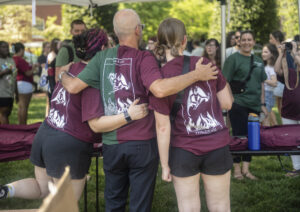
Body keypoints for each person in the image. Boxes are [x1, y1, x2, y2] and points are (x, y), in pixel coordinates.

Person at [59, 9, 218, 212]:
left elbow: (72, 87)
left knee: (114, 203)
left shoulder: (101, 58)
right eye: (141, 27)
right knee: (139, 206)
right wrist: (195, 75)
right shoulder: (145, 57)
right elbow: (160, 89)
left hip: (112, 144)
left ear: (116, 33)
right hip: (142, 143)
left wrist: (63, 73)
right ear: (137, 30)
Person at [0, 28, 139, 202]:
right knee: (66, 203)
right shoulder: (93, 76)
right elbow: (95, 124)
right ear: (103, 48)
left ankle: (6, 190)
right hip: (69, 142)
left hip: (46, 133)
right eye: (110, 45)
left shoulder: (71, 67)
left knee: (42, 188)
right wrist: (128, 115)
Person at [151, 18, 233, 212]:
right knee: (221, 205)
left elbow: (162, 127)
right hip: (217, 145)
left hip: (183, 149)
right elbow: (227, 103)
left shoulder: (160, 78)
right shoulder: (205, 64)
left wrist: (164, 165)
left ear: (160, 43)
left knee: (188, 207)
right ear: (185, 40)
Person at [223, 30, 267, 180]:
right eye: (244, 40)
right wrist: (231, 101)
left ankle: (246, 170)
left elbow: (262, 83)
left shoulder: (259, 60)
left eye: (250, 39)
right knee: (239, 136)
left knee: (252, 137)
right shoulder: (233, 59)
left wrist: (262, 103)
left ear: (254, 42)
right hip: (238, 103)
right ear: (239, 42)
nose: (247, 42)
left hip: (254, 105)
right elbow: (224, 82)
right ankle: (236, 170)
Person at [274, 40, 300, 177]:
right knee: (292, 141)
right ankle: (297, 169)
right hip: (289, 112)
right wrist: (281, 54)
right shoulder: (290, 72)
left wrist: (294, 52)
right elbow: (277, 70)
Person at [12, 42, 37, 125]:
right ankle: (23, 125)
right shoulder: (20, 60)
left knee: (21, 107)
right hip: (24, 84)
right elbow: (28, 73)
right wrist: (34, 67)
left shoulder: (12, 59)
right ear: (21, 50)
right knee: (24, 107)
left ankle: (21, 124)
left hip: (18, 84)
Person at [269, 30, 285, 123]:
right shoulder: (273, 49)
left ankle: (283, 122)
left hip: (281, 79)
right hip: (276, 78)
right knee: (278, 104)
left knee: (281, 104)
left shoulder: (281, 49)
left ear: (277, 39)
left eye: (271, 38)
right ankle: (281, 122)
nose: (270, 40)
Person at [0, 41, 17, 124]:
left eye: (7, 47)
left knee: (7, 113)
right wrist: (3, 72)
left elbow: (15, 77)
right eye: (3, 47)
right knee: (4, 114)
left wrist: (16, 93)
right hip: (2, 92)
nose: (6, 49)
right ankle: (5, 134)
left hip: (10, 92)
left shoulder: (11, 60)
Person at [261, 43, 278, 126]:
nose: (263, 54)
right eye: (263, 52)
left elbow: (274, 83)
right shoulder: (266, 66)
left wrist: (263, 79)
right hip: (266, 94)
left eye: (266, 52)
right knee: (267, 117)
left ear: (272, 54)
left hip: (267, 94)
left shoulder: (271, 68)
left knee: (265, 118)